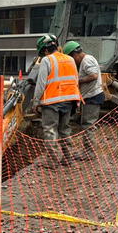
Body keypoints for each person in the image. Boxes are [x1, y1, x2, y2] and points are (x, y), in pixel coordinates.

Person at [32, 34, 82, 166]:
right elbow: (76, 80)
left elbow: (41, 84)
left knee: (50, 130)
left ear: (46, 50)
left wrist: (36, 102)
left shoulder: (47, 60)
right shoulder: (70, 59)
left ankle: (52, 161)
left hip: (52, 101)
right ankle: (68, 158)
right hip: (69, 100)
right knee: (64, 129)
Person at [63, 41, 105, 159]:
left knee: (88, 125)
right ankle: (87, 151)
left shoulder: (87, 60)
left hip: (93, 96)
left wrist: (77, 81)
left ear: (75, 54)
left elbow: (93, 76)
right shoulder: (84, 61)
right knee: (86, 124)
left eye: (72, 58)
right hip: (89, 96)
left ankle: (89, 153)